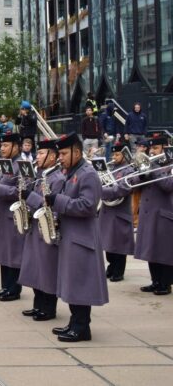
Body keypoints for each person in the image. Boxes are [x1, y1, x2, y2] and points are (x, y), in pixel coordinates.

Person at [46, 133, 109, 342]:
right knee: (72, 283)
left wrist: (58, 200)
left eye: (63, 153)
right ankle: (75, 322)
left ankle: (82, 327)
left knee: (81, 284)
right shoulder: (71, 172)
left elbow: (88, 206)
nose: (60, 158)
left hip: (82, 239)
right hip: (71, 236)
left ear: (77, 152)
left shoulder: (87, 173)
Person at [19, 138, 65, 321]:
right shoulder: (42, 175)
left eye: (40, 153)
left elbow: (51, 205)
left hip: (47, 228)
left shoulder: (58, 178)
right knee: (36, 268)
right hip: (35, 227)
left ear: (52, 157)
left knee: (47, 269)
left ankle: (48, 308)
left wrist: (30, 197)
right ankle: (38, 305)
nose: (37, 156)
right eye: (37, 153)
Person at [130, 133, 173, 296]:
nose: (153, 151)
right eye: (151, 148)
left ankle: (165, 284)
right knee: (151, 250)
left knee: (164, 251)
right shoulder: (150, 164)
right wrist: (141, 173)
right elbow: (134, 184)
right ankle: (155, 281)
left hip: (164, 214)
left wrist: (153, 169)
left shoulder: (170, 164)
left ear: (164, 148)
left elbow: (168, 185)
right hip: (148, 214)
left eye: (156, 148)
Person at [0, 132, 24, 302]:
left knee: (13, 253)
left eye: (5, 145)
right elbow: (3, 181)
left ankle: (14, 289)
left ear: (16, 147)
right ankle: (5, 286)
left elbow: (21, 191)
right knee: (4, 252)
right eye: (1, 145)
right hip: (3, 215)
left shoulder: (22, 164)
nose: (2, 148)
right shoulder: (8, 163)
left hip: (13, 216)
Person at [99, 141, 134, 283]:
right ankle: (111, 267)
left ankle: (119, 271)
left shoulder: (129, 170)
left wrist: (102, 191)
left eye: (117, 154)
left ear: (124, 154)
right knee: (108, 244)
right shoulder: (110, 167)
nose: (114, 157)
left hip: (120, 211)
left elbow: (124, 188)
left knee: (119, 245)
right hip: (107, 210)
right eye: (113, 154)